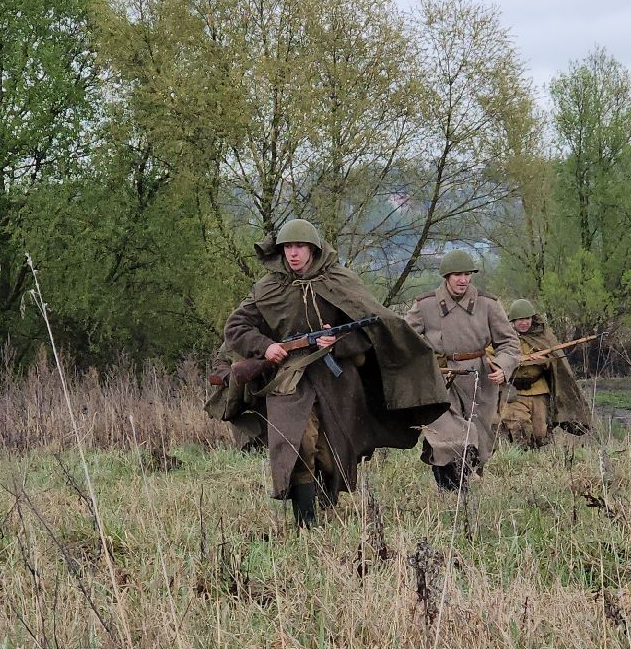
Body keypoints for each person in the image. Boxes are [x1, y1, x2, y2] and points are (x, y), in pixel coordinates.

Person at [223, 219, 447, 527]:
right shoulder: (268, 288)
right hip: (289, 379)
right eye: (288, 248)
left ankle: (326, 503)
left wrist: (339, 341)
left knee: (331, 452)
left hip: (337, 379)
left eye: (299, 247)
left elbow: (373, 327)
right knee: (296, 443)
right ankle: (306, 522)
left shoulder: (340, 280)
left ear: (313, 249)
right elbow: (235, 328)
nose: (293, 254)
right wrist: (265, 346)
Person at [404, 250, 519, 490]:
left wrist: (503, 366)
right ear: (446, 276)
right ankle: (450, 490)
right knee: (446, 435)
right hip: (441, 378)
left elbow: (509, 342)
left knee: (480, 438)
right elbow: (403, 339)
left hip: (481, 379)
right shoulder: (425, 305)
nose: (463, 279)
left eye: (467, 274)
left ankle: (464, 486)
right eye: (457, 274)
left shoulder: (488, 304)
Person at [497, 298, 593, 448]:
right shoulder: (503, 337)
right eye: (519, 319)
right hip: (513, 392)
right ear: (512, 321)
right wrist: (519, 359)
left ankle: (536, 460)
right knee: (518, 426)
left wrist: (545, 359)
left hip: (539, 390)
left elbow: (557, 363)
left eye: (527, 319)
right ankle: (519, 457)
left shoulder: (543, 336)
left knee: (540, 433)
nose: (524, 323)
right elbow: (491, 358)